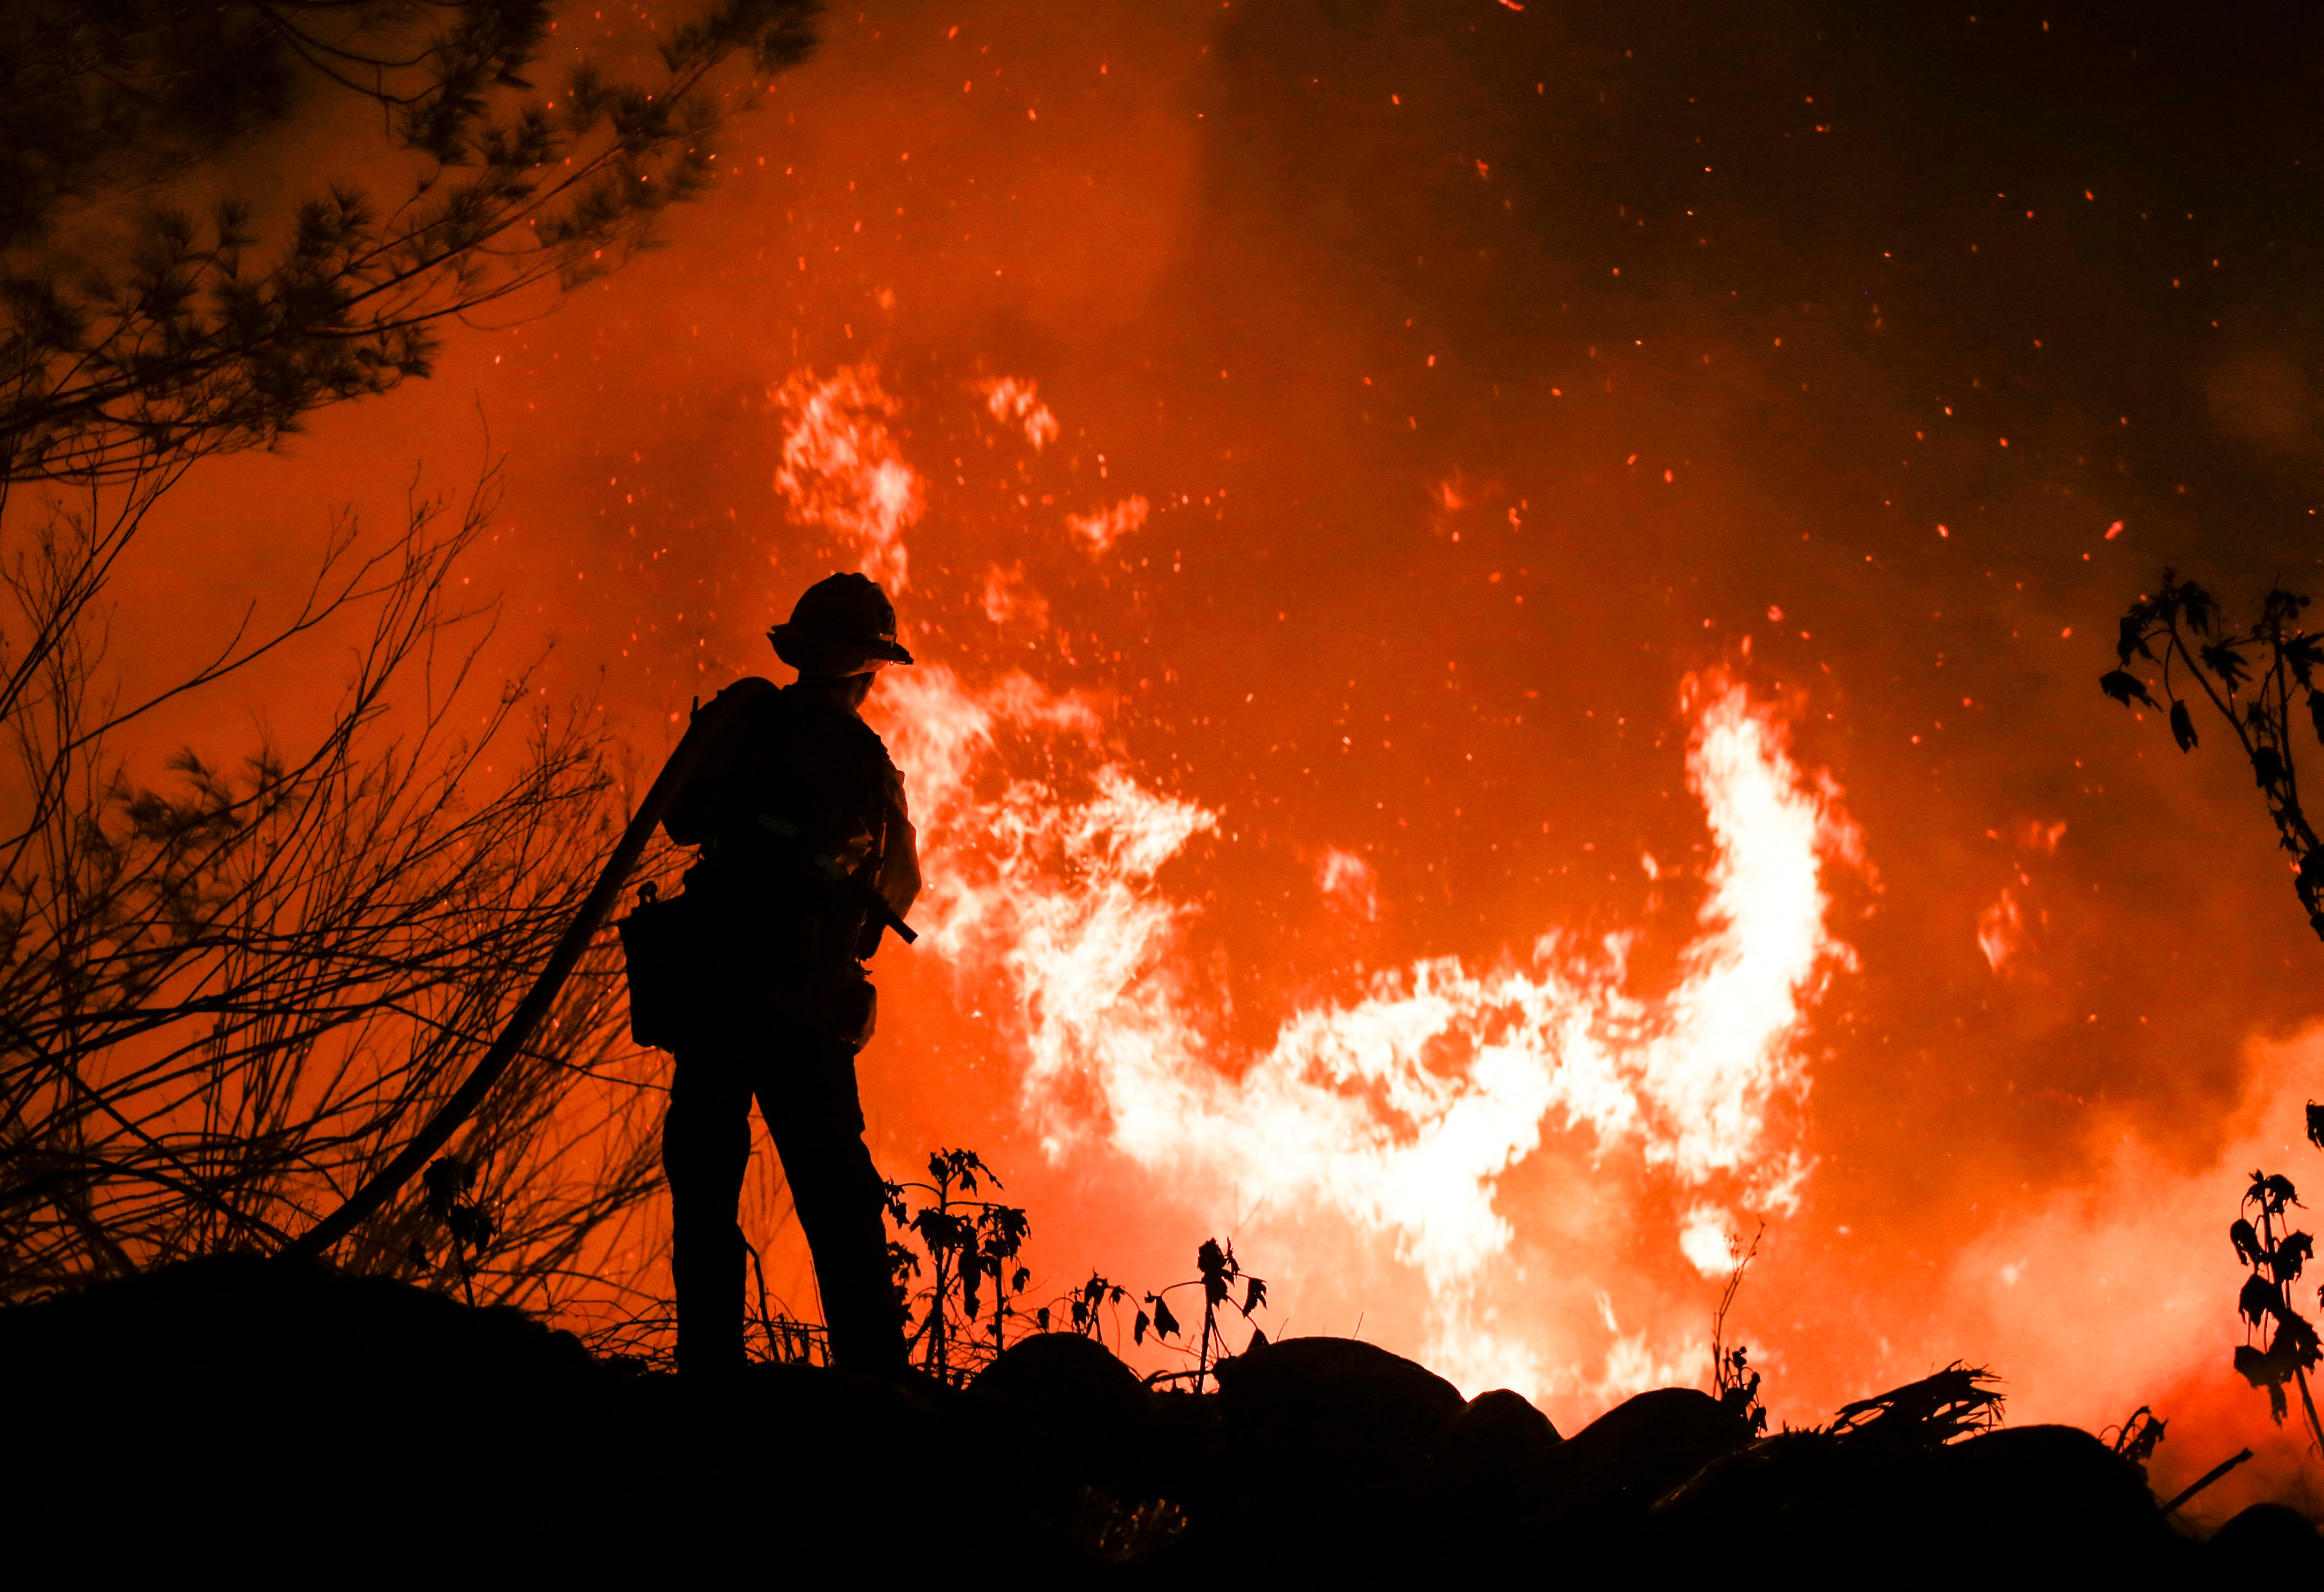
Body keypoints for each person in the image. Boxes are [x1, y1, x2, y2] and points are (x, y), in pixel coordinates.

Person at [657, 572, 920, 1375]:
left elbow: (678, 818)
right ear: (865, 671)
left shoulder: (745, 719)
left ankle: (709, 1370)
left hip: (712, 985)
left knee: (705, 1184)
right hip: (800, 1000)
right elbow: (896, 888)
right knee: (835, 1191)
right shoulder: (865, 762)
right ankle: (873, 1382)